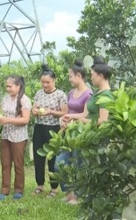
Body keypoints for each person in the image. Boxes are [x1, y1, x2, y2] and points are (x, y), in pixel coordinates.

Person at [54, 60, 93, 205]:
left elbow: (86, 115)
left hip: (80, 135)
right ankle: (69, 192)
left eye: (71, 76)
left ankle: (77, 196)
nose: (69, 79)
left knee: (78, 165)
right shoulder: (71, 93)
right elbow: (69, 111)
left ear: (78, 76)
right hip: (68, 134)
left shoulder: (88, 94)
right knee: (59, 164)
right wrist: (64, 122)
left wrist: (71, 118)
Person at [31, 64, 68, 198]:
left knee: (52, 158)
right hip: (39, 127)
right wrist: (34, 111)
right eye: (43, 82)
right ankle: (39, 184)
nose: (45, 85)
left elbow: (64, 112)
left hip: (53, 129)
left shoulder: (60, 95)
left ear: (54, 80)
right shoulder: (38, 93)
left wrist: (50, 112)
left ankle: (54, 188)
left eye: (48, 82)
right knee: (38, 157)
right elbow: (34, 109)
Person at [0, 75, 32, 200]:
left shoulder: (24, 100)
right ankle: (4, 189)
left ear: (18, 86)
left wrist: (7, 120)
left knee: (18, 164)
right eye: (6, 86)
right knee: (5, 164)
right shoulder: (5, 99)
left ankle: (18, 190)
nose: (8, 89)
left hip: (19, 137)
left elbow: (26, 120)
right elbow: (2, 113)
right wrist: (0, 118)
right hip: (6, 135)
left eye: (10, 86)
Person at [62, 56, 113, 125]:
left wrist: (84, 121)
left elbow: (103, 120)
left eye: (92, 75)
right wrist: (71, 116)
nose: (91, 78)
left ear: (100, 76)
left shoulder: (106, 95)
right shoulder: (97, 93)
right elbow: (88, 114)